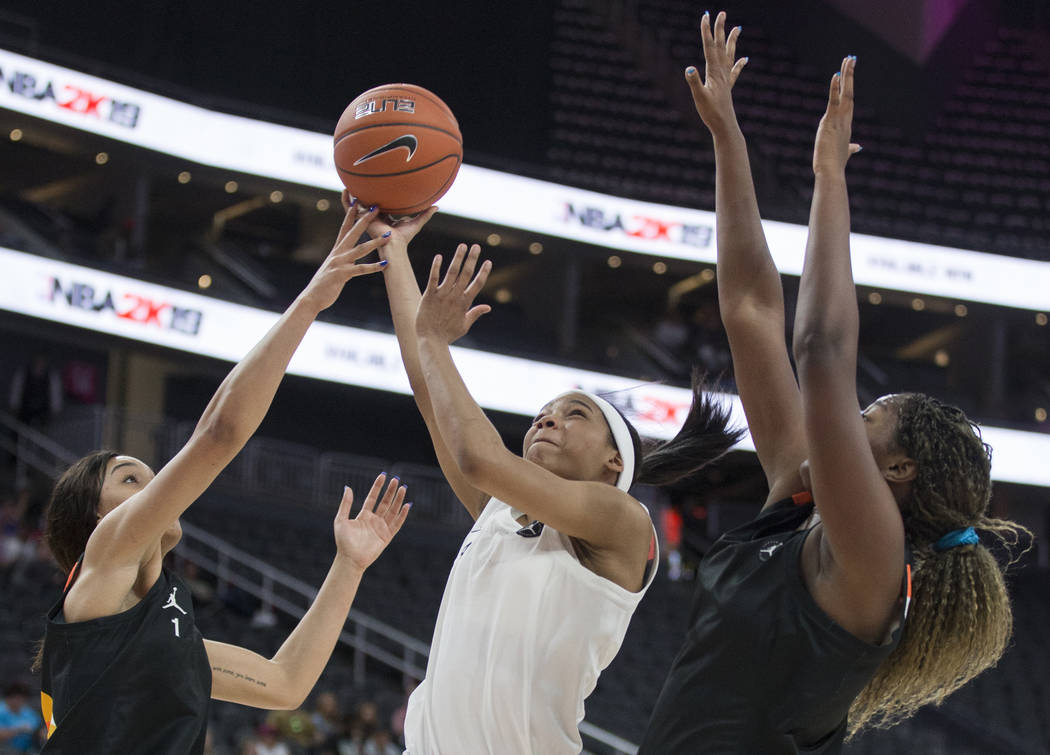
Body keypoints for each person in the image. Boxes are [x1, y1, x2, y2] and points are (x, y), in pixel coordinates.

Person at [640, 13, 1031, 753]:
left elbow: (821, 350)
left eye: (870, 414)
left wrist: (829, 182)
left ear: (897, 468)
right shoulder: (798, 499)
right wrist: (729, 139)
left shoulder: (873, 559)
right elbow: (751, 311)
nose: (847, 416)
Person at [34, 202, 413, 754]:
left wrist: (349, 565)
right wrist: (311, 301)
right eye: (130, 479)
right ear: (97, 516)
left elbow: (285, 684)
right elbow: (219, 434)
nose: (157, 484)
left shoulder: (167, 627)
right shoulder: (105, 557)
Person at [367, 201, 742, 754]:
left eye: (574, 414)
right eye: (545, 410)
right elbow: (430, 392)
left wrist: (434, 341)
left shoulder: (623, 521)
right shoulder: (500, 512)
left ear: (615, 462)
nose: (548, 418)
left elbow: (478, 456)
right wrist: (394, 252)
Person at [0, 682, 42, 754]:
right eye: (16, 697)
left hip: (28, 749)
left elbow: (39, 729)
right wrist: (19, 730)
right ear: (8, 698)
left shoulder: (27, 711)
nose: (19, 701)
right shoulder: (2, 711)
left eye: (22, 698)